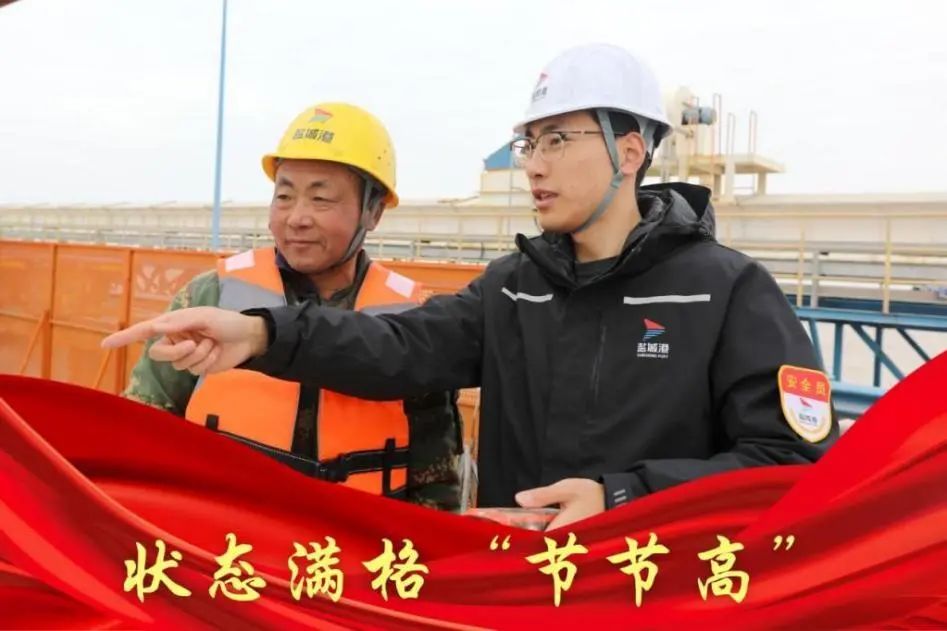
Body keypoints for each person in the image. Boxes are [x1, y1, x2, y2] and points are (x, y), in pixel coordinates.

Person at [105, 45, 837, 529]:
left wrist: (622, 496)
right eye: (529, 143)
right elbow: (396, 345)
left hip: (649, 596)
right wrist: (262, 331)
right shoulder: (515, 289)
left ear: (629, 150)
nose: (534, 164)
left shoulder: (727, 292)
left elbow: (793, 464)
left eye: (558, 140)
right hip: (512, 594)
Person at [122, 102, 463, 511]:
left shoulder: (411, 323)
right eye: (284, 196)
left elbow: (435, 486)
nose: (296, 218)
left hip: (352, 543)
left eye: (321, 199)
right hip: (224, 537)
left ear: (373, 212)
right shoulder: (211, 297)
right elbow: (142, 430)